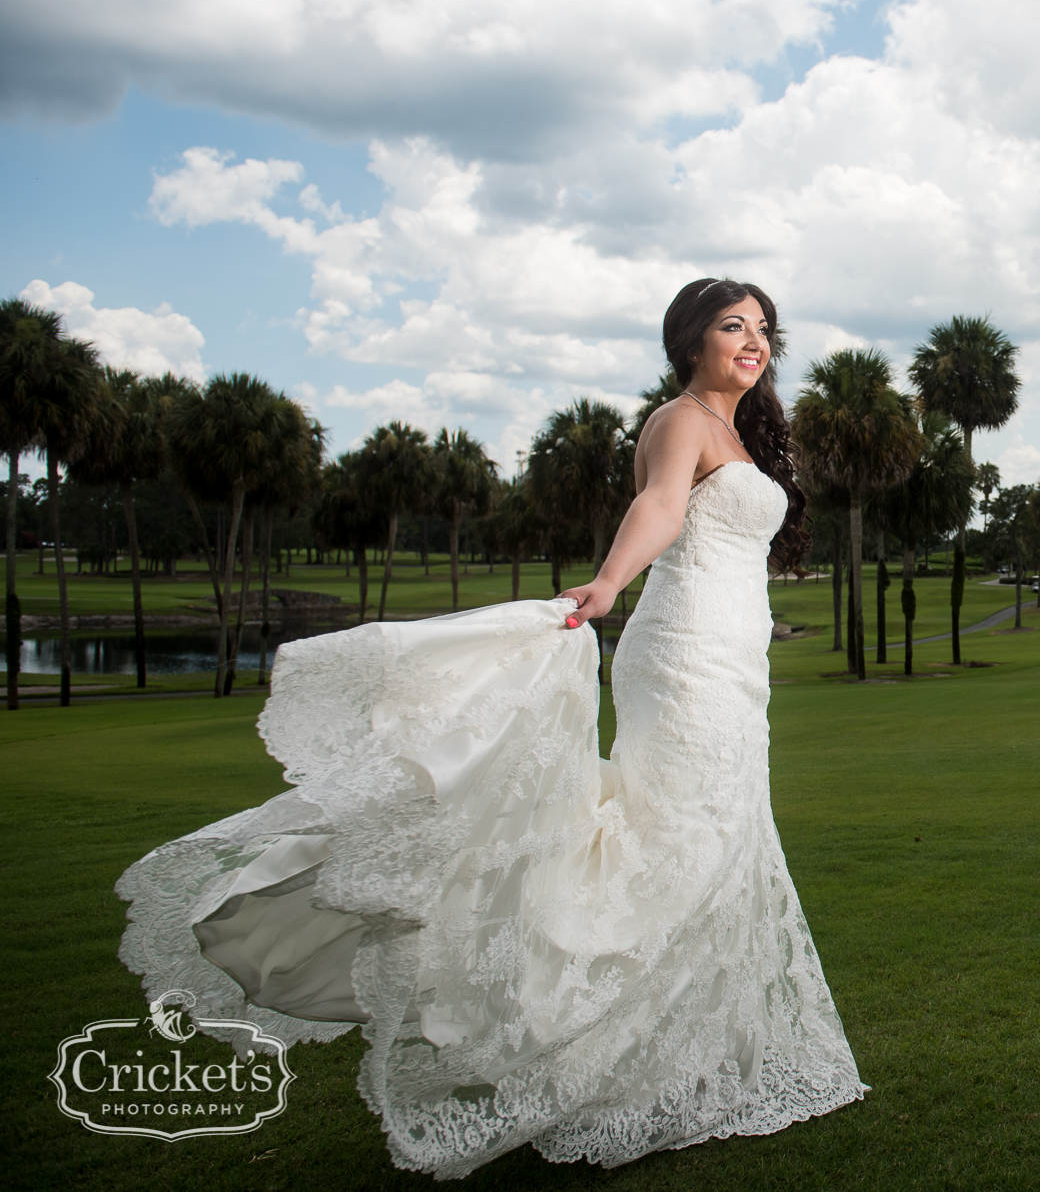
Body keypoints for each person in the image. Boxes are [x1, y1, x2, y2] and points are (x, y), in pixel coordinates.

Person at [115, 279, 866, 1179]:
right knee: (682, 839)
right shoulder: (682, 420)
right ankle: (579, 1040)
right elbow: (661, 509)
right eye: (731, 326)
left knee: (719, 841)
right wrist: (611, 582)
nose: (753, 340)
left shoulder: (742, 431)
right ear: (689, 342)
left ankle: (678, 1057)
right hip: (685, 652)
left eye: (761, 329)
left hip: (740, 663)